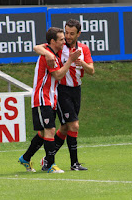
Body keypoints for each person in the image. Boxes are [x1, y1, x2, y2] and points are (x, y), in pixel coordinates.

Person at [18, 27, 81, 173]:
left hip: (51, 98)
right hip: (42, 98)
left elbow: (37, 47)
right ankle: (50, 165)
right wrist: (70, 60)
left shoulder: (52, 52)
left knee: (43, 133)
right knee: (50, 130)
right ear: (53, 41)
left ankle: (25, 158)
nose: (64, 41)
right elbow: (58, 75)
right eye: (61, 39)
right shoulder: (49, 57)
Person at [34, 19, 94, 171]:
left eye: (71, 33)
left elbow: (92, 70)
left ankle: (47, 159)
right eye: (66, 32)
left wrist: (83, 64)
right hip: (62, 91)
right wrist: (48, 53)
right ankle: (74, 164)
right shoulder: (61, 47)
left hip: (76, 90)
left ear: (78, 34)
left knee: (65, 129)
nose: (67, 36)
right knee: (73, 125)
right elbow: (37, 47)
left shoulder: (83, 49)